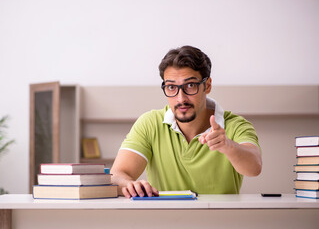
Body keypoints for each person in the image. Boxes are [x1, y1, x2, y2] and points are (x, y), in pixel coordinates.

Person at [110, 45, 262, 198]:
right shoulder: (150, 124)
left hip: (221, 220)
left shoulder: (235, 125)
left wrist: (229, 146)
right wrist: (130, 185)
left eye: (190, 85)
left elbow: (255, 167)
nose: (181, 98)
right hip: (166, 219)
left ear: (207, 85)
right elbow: (117, 175)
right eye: (171, 87)